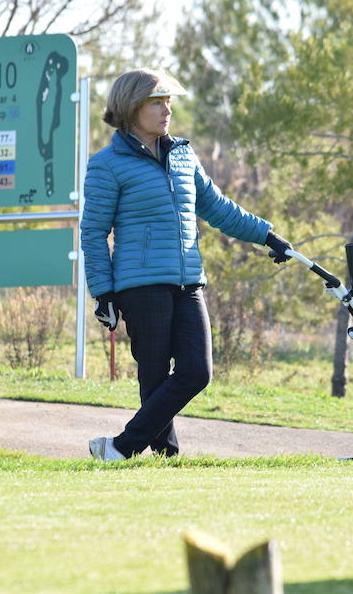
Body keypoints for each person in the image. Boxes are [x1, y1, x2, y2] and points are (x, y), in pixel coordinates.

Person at [80, 68, 293, 461]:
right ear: (132, 107)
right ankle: (166, 459)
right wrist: (104, 292)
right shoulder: (107, 165)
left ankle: (121, 448)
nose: (167, 109)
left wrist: (266, 235)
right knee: (155, 377)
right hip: (140, 285)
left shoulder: (183, 156)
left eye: (168, 101)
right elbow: (93, 234)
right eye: (157, 102)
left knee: (197, 372)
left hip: (189, 281)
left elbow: (218, 208)